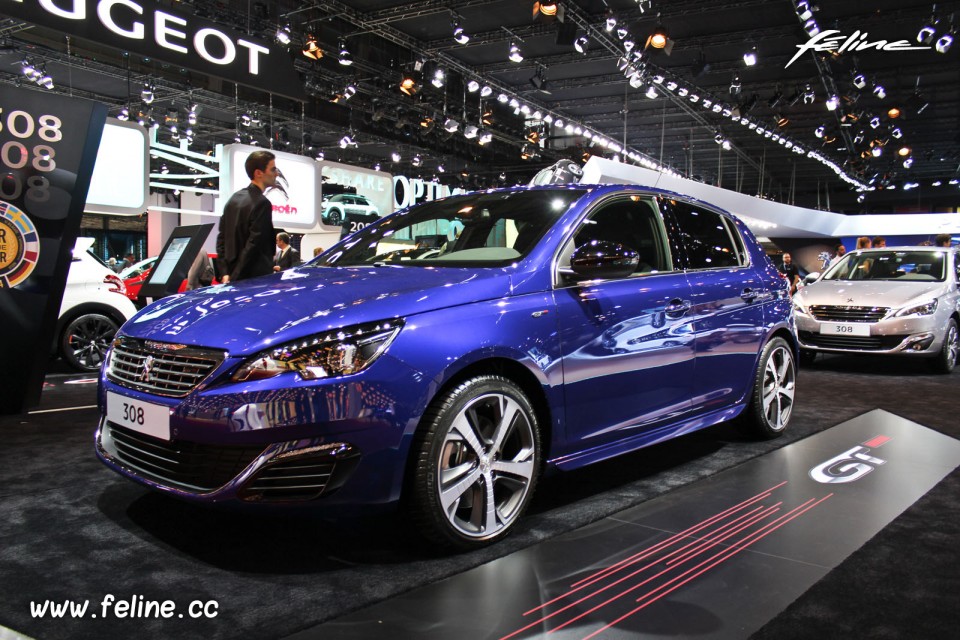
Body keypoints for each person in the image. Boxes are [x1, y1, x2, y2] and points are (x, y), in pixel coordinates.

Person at [216, 150, 280, 283]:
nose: (276, 173)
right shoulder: (262, 203)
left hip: (231, 277)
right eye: (273, 169)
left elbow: (221, 239)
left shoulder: (233, 199)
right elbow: (254, 245)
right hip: (253, 281)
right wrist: (236, 277)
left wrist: (225, 273)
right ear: (258, 173)